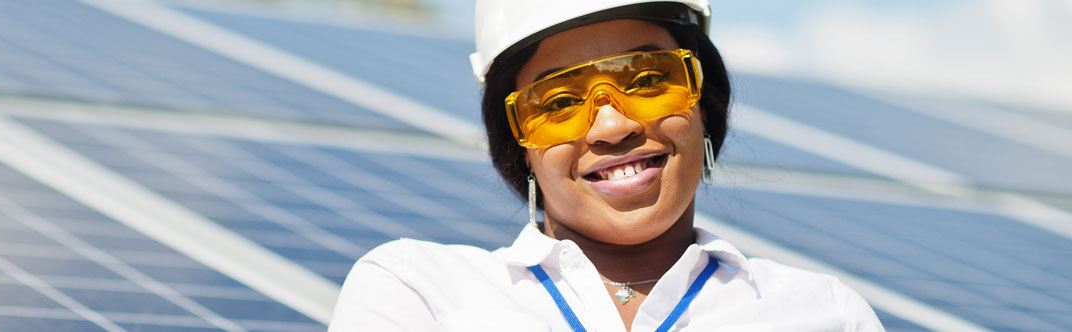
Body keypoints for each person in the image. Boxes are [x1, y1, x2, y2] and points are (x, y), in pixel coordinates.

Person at [329, 0, 886, 331]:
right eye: (560, 103)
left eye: (647, 80)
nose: (613, 127)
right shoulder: (419, 294)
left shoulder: (823, 314)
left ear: (703, 105)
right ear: (519, 145)